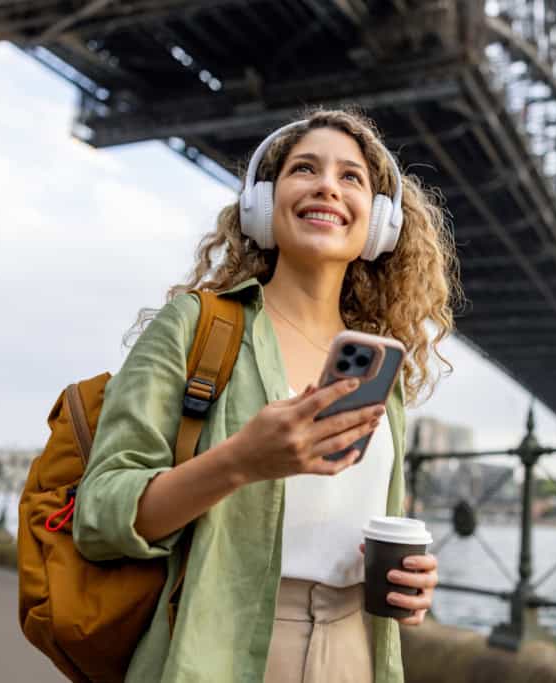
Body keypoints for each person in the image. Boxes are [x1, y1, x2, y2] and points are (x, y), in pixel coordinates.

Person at [73, 108, 462, 683]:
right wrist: (239, 462)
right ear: (263, 204)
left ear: (379, 223)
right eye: (305, 169)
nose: (327, 184)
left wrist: (412, 582)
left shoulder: (380, 367)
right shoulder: (196, 327)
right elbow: (100, 514)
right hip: (220, 646)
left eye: (351, 177)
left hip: (357, 649)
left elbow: (358, 526)